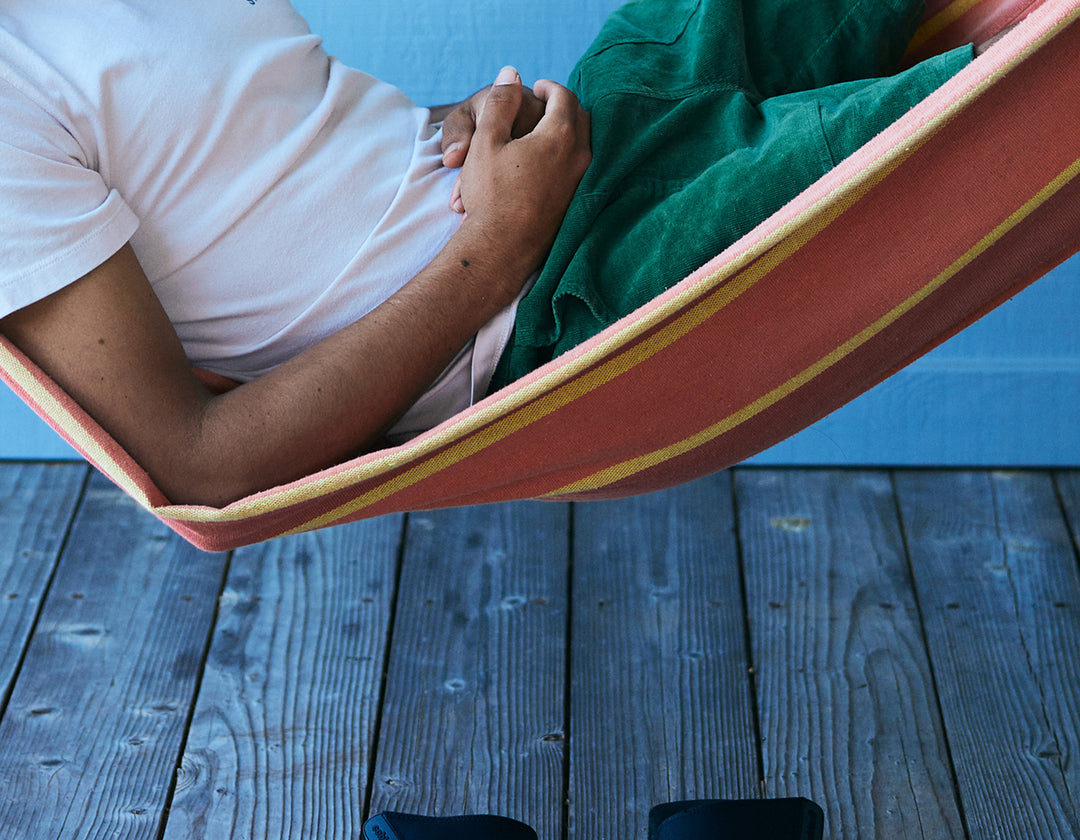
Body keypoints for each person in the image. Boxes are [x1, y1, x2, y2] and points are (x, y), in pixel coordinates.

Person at [0, 0, 982, 508]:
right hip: (557, 308)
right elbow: (200, 465)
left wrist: (463, 121)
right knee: (991, 111)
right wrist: (493, 252)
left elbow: (287, 165)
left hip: (576, 155)